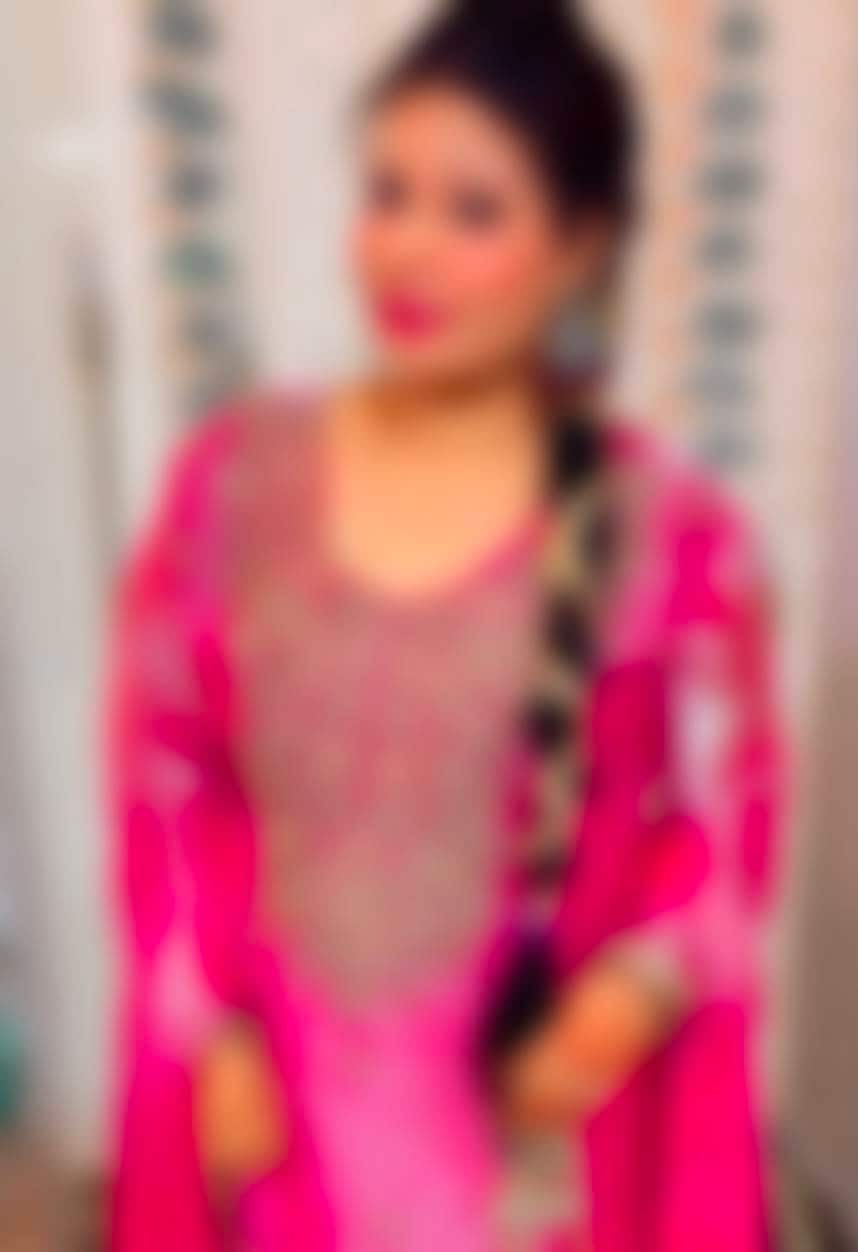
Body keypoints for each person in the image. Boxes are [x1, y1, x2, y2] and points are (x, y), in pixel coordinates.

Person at [107, 1, 783, 1249]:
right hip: (288, 1139)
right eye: (387, 194)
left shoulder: (664, 535)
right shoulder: (234, 488)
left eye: (472, 211)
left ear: (578, 248)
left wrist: (624, 1001)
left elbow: (723, 822)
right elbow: (165, 777)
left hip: (527, 1159)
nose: (405, 250)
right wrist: (210, 1031)